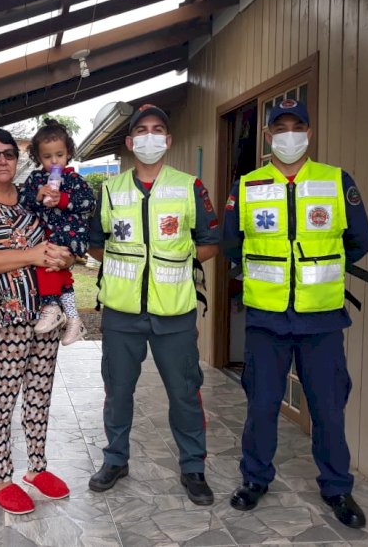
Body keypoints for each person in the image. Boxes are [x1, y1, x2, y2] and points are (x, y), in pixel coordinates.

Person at [222, 99, 368, 528]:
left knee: (328, 408)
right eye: (280, 127)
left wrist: (315, 269)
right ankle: (255, 480)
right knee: (262, 405)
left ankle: (337, 489)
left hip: (321, 319)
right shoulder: (247, 186)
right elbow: (233, 242)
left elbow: (360, 241)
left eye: (297, 125)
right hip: (266, 319)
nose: (289, 133)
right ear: (268, 135)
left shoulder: (336, 181)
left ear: (309, 132)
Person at [86, 104, 220, 506]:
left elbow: (210, 242)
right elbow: (96, 242)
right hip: (121, 312)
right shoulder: (110, 188)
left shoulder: (190, 186)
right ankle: (116, 459)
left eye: (157, 129)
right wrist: (129, 266)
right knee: (118, 390)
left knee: (184, 391)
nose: (149, 136)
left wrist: (174, 262)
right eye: (141, 130)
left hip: (174, 312)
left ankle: (193, 467)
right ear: (129, 142)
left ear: (168, 139)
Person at [0, 127, 75, 516]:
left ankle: (36, 469)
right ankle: (1, 478)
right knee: (3, 398)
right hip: (4, 319)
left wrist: (65, 258)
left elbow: (59, 236)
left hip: (45, 315)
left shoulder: (31, 198)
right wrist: (34, 256)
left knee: (40, 393)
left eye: (9, 153)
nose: (3, 160)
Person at [18, 118, 95, 345]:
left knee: (48, 265)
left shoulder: (75, 180)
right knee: (60, 272)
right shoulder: (36, 179)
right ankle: (72, 317)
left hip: (69, 234)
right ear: (38, 157)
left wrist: (62, 199)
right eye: (47, 157)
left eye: (59, 155)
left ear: (68, 153)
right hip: (46, 233)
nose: (54, 161)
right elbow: (23, 202)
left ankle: (52, 307)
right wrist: (37, 196)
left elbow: (89, 204)